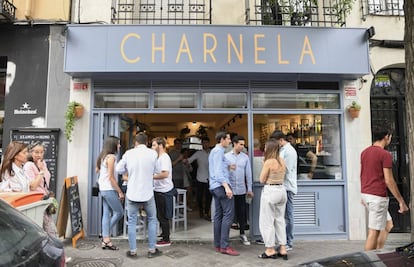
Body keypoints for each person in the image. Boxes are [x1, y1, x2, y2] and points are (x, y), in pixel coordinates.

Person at [360, 128, 408, 251]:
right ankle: (368, 261)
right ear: (387, 136)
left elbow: (362, 174)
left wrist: (363, 194)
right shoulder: (385, 154)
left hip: (367, 195)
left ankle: (378, 253)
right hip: (377, 197)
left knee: (388, 224)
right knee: (373, 232)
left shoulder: (364, 152)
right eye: (390, 137)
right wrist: (401, 201)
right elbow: (389, 180)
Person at [115, 132, 162, 259]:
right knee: (152, 220)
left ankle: (133, 251)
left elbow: (118, 169)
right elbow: (158, 170)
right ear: (146, 142)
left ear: (135, 142)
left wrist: (128, 172)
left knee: (132, 222)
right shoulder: (152, 154)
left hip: (132, 193)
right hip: (148, 193)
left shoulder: (129, 153)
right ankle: (152, 250)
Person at [209, 131, 239, 256]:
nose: (230, 141)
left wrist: (229, 165)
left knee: (218, 216)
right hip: (221, 186)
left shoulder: (216, 151)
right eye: (228, 139)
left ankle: (218, 245)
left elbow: (223, 163)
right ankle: (225, 246)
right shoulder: (219, 151)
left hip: (215, 187)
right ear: (222, 139)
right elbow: (217, 172)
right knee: (228, 216)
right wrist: (226, 187)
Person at [258, 139, 288, 260]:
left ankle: (270, 249)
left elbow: (261, 179)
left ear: (269, 148)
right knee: (280, 220)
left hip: (271, 192)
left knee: (267, 221)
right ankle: (283, 248)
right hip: (282, 190)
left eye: (265, 147)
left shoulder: (269, 162)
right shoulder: (282, 160)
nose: (264, 149)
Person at [270, 130, 297, 251]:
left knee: (287, 215)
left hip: (287, 187)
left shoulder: (289, 151)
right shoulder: (283, 150)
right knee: (281, 215)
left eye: (276, 142)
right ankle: (283, 241)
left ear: (281, 140)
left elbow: (285, 169)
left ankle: (288, 242)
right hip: (282, 186)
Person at [24, 141, 58, 237]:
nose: (39, 155)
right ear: (30, 152)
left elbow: (46, 182)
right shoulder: (29, 166)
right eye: (36, 152)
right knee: (46, 229)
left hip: (45, 198)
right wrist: (41, 171)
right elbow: (33, 186)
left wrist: (42, 168)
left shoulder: (43, 163)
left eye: (42, 152)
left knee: (48, 228)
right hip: (36, 201)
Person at [96, 136, 124, 250]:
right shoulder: (111, 157)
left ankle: (105, 239)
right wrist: (120, 191)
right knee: (119, 212)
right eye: (118, 143)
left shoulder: (102, 156)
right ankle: (105, 235)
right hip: (109, 189)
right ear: (113, 145)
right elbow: (111, 178)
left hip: (103, 188)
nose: (119, 145)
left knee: (106, 213)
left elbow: (97, 170)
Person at [225, 135, 253, 246]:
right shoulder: (226, 157)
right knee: (228, 213)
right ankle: (225, 235)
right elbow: (222, 172)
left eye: (243, 144)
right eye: (241, 144)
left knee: (242, 213)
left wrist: (249, 188)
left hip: (241, 189)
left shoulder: (245, 157)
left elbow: (248, 174)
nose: (242, 146)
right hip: (230, 190)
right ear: (234, 144)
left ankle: (242, 233)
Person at [151, 136, 175, 247]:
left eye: (154, 145)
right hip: (158, 189)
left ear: (160, 145)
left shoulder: (164, 158)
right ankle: (164, 234)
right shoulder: (158, 157)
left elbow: (165, 174)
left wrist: (151, 177)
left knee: (163, 216)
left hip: (164, 190)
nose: (152, 147)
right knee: (160, 215)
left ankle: (166, 239)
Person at [186, 136, 212, 220]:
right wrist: (184, 161)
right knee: (199, 197)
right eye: (203, 143)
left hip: (210, 178)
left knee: (208, 197)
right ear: (202, 144)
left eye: (206, 143)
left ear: (209, 143)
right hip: (200, 177)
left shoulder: (212, 153)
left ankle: (206, 212)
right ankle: (201, 211)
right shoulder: (198, 153)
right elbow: (189, 160)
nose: (205, 144)